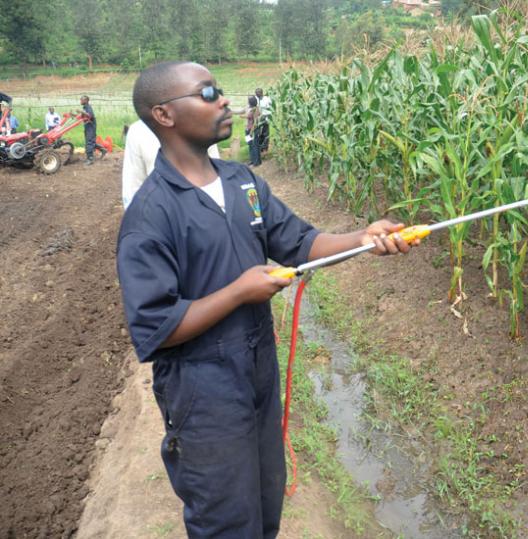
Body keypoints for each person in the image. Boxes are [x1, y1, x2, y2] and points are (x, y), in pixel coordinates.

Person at [116, 61, 417, 538]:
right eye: (207, 92)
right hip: (203, 393)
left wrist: (364, 237)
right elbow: (156, 328)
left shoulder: (243, 182)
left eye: (219, 90)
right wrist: (239, 291)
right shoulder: (151, 214)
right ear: (164, 115)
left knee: (263, 506)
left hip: (258, 373)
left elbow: (301, 243)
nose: (223, 100)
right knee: (226, 522)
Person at [121, 118, 220, 209]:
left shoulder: (203, 126)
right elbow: (133, 186)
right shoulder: (138, 131)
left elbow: (215, 178)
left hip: (201, 210)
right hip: (159, 213)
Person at [80, 95, 97, 165]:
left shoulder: (88, 107)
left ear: (86, 101)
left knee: (89, 142)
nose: (80, 101)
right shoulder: (84, 108)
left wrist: (82, 112)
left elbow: (91, 115)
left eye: (82, 100)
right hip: (87, 126)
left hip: (91, 127)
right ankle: (102, 149)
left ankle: (90, 159)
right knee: (90, 141)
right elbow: (81, 117)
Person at [245, 95, 261, 167]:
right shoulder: (249, 108)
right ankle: (252, 160)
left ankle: (256, 162)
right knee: (250, 145)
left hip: (253, 130)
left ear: (251, 102)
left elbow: (255, 122)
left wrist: (251, 132)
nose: (247, 101)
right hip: (248, 130)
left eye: (248, 100)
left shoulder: (256, 109)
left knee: (255, 146)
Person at [254, 88, 272, 153]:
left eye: (258, 93)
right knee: (259, 133)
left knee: (266, 133)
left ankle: (265, 148)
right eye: (256, 94)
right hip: (259, 118)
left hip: (266, 118)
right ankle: (260, 147)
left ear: (261, 93)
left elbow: (271, 108)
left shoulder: (267, 99)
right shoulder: (256, 99)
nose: (256, 95)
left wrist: (266, 116)